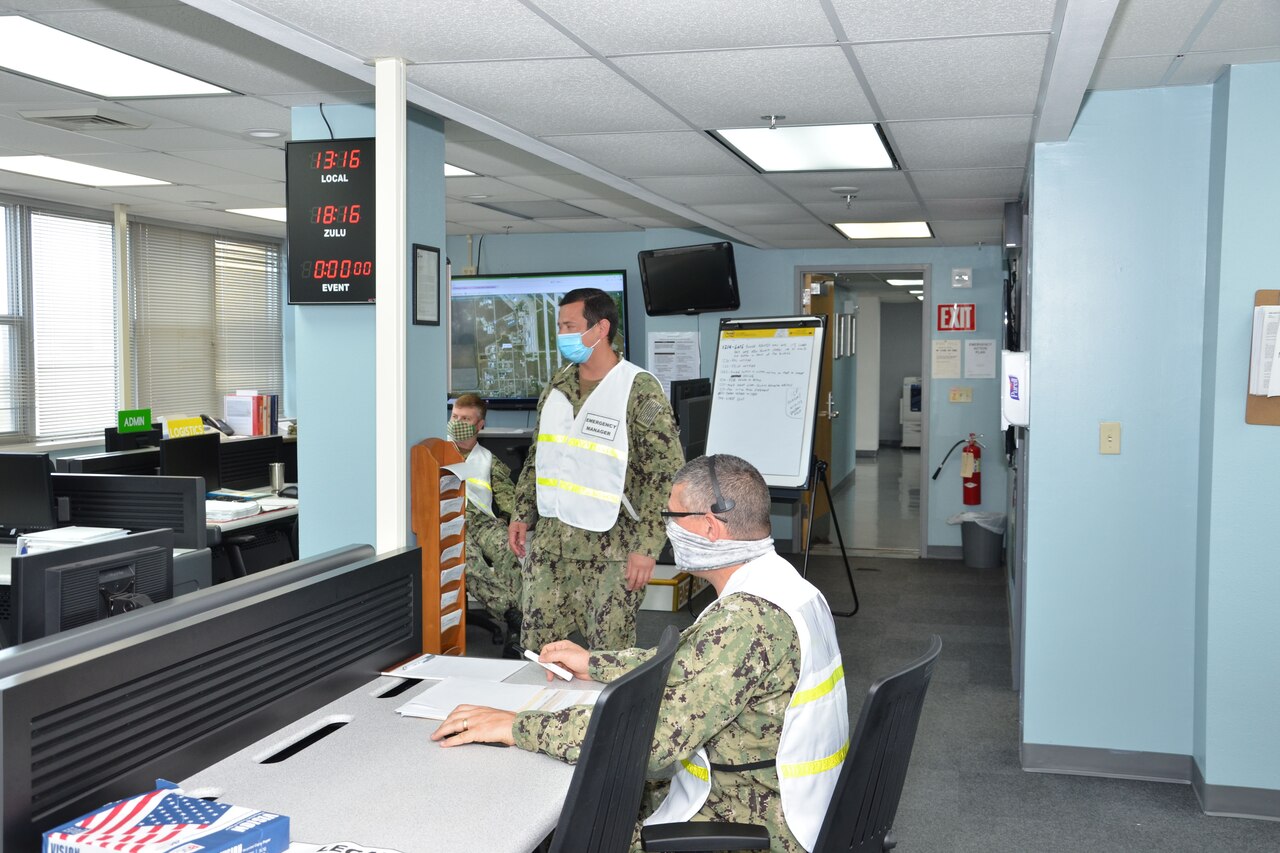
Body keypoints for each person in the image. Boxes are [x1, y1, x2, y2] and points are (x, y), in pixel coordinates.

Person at [436, 455, 848, 853]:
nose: (666, 529)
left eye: (671, 518)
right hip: (783, 799)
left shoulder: (748, 620)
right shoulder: (783, 585)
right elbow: (693, 662)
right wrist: (593, 662)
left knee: (573, 828)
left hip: (755, 825)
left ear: (708, 527)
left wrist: (517, 727)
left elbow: (653, 743)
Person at [507, 287, 683, 651]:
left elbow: (665, 474)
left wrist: (648, 548)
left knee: (608, 659)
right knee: (538, 653)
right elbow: (538, 458)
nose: (562, 335)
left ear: (600, 329)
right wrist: (521, 514)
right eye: (560, 326)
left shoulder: (637, 389)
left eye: (570, 326)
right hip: (550, 548)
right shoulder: (555, 388)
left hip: (611, 551)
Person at [447, 393, 522, 655]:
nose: (457, 422)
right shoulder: (437, 451)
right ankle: (511, 614)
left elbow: (507, 498)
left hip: (483, 521)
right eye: (455, 416)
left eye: (465, 419)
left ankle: (519, 630)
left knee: (508, 550)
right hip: (451, 521)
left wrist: (507, 521)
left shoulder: (488, 459)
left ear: (479, 425)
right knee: (468, 559)